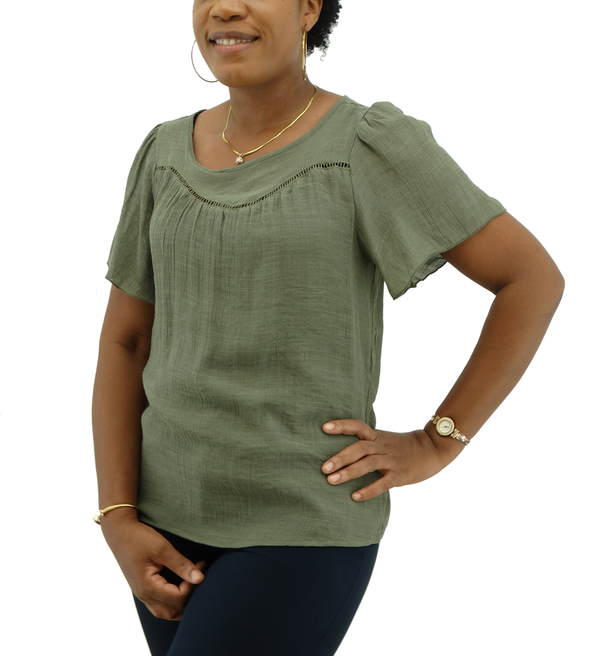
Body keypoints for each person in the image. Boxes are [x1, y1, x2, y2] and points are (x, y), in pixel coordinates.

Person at [91, 1, 564, 654]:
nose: (224, 6)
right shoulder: (163, 153)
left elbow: (531, 279)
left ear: (310, 6)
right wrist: (118, 516)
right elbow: (128, 341)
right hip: (163, 525)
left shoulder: (366, 145)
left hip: (300, 528)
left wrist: (437, 442)